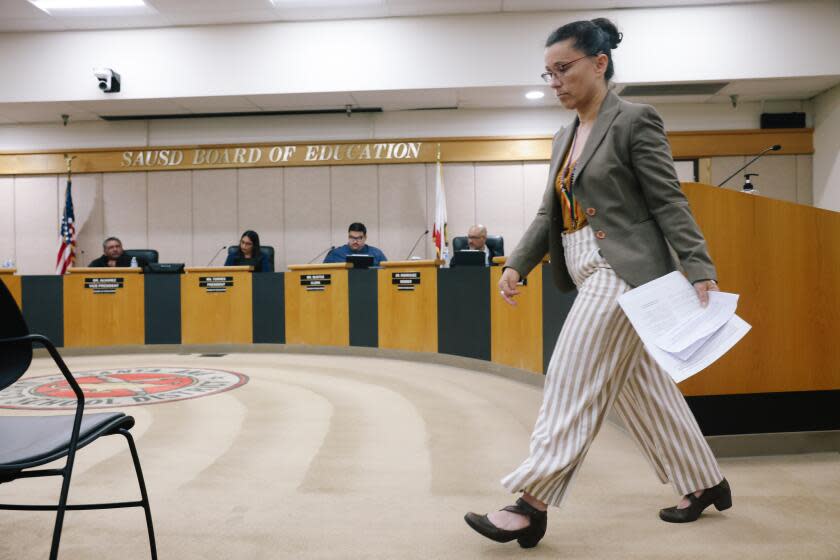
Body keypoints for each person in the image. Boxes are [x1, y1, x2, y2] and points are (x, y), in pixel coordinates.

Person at [464, 18, 730, 549]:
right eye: (549, 73)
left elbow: (668, 200)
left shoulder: (635, 120)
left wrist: (698, 267)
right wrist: (518, 262)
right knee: (638, 388)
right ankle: (704, 481)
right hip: (580, 263)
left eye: (564, 69)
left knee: (572, 375)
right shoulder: (564, 135)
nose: (555, 81)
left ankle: (529, 502)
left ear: (599, 63)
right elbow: (550, 212)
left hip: (625, 270)